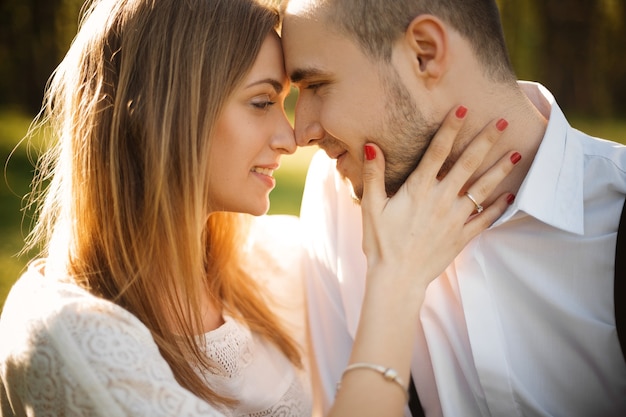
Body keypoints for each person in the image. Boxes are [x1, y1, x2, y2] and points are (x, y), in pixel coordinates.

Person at [0, 0, 519, 416]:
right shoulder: (68, 337)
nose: (290, 135)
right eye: (262, 101)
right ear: (166, 113)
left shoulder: (274, 269)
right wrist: (397, 283)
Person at [280, 0, 626, 416]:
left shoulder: (616, 206)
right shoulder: (339, 199)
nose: (301, 132)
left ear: (425, 52)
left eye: (317, 85)